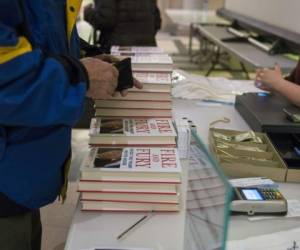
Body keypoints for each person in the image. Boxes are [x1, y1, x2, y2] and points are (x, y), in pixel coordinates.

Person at [0, 0, 141, 249]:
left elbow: (44, 38)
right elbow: (7, 77)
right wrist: (81, 75)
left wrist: (88, 57)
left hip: (24, 171)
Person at [84, 0, 162, 52]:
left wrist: (88, 12)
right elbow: (157, 22)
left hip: (117, 53)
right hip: (147, 51)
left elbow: (105, 21)